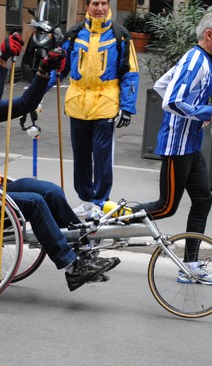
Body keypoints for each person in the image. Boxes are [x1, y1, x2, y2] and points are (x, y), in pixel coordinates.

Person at [0, 35, 119, 291]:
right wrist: (1, 59)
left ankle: (83, 251)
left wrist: (44, 71)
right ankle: (71, 267)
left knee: (50, 191)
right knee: (34, 203)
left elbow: (25, 104)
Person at [136, 11, 212, 285]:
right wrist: (206, 114)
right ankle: (117, 216)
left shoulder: (200, 59)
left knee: (203, 200)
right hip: (177, 146)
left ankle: (190, 265)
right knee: (166, 207)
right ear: (209, 35)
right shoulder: (195, 62)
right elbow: (171, 101)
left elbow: (161, 85)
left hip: (189, 145)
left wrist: (196, 116)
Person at [55, 0, 140, 217]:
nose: (100, 8)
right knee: (81, 157)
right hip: (77, 105)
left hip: (106, 105)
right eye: (95, 3)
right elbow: (58, 68)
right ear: (88, 6)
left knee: (102, 157)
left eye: (103, 3)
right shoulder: (74, 34)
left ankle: (100, 202)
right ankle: (86, 200)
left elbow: (130, 72)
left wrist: (127, 107)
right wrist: (34, 96)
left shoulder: (120, 35)